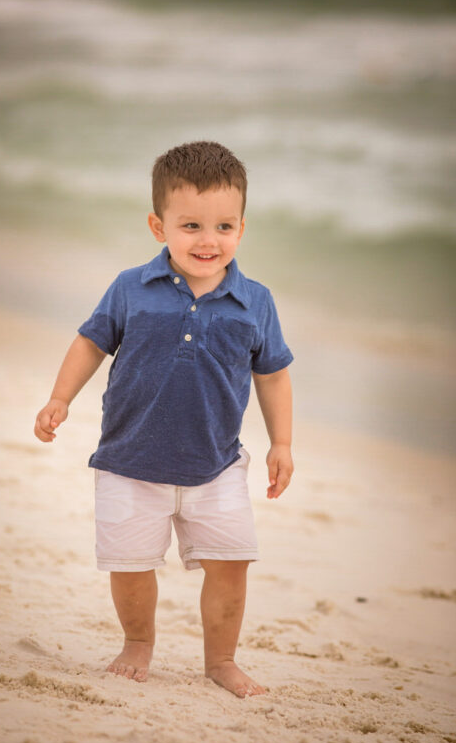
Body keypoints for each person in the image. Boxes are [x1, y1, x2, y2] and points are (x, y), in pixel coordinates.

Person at [33, 140, 292, 696]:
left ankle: (221, 660)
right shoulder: (131, 288)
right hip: (130, 458)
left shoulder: (257, 302)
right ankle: (138, 643)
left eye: (224, 227)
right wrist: (61, 398)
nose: (208, 240)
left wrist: (281, 443)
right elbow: (89, 343)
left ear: (242, 229)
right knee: (130, 566)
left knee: (231, 565)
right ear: (159, 226)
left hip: (217, 463)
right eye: (191, 225)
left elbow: (272, 374)